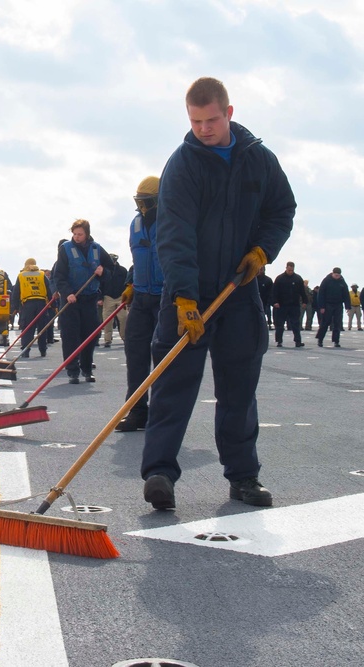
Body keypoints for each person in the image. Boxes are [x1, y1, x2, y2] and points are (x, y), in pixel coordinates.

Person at [141, 76, 295, 512]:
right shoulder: (183, 165)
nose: (203, 129)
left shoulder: (259, 161)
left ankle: (244, 477)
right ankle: (159, 475)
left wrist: (264, 250)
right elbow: (174, 235)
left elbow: (282, 209)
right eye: (195, 121)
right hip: (187, 296)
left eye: (210, 120)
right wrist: (185, 299)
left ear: (229, 113)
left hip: (239, 292)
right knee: (172, 385)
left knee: (239, 388)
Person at [115, 176, 163, 433]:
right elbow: (138, 258)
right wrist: (131, 283)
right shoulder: (135, 225)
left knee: (164, 357)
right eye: (139, 202)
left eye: (148, 202)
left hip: (166, 299)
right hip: (142, 298)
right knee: (135, 355)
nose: (143, 208)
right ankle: (136, 411)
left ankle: (163, 414)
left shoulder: (173, 220)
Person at [53, 220, 114, 383]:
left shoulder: (97, 249)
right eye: (74, 234)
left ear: (86, 234)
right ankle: (72, 370)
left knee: (90, 335)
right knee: (70, 335)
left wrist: (104, 272)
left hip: (90, 298)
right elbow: (59, 276)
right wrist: (67, 293)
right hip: (71, 300)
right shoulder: (65, 250)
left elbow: (111, 270)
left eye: (80, 234)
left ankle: (87, 368)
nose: (76, 237)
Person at [10, 258, 52, 358]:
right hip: (41, 303)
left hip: (28, 304)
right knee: (42, 328)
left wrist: (15, 307)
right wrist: (52, 304)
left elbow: (16, 293)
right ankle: (42, 350)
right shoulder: (41, 274)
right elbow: (49, 289)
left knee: (27, 328)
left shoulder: (21, 275)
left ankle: (25, 350)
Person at [271, 261, 306, 347]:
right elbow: (274, 292)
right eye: (289, 269)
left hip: (294, 305)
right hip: (281, 305)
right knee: (280, 324)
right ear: (286, 268)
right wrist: (274, 302)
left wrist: (305, 301)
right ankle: (279, 341)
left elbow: (302, 291)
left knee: (295, 324)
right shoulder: (279, 279)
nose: (290, 271)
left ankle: (298, 341)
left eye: (292, 270)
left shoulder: (298, 278)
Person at [315, 268, 351, 348]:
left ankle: (336, 341)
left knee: (337, 324)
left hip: (338, 305)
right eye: (335, 275)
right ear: (332, 273)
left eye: (338, 275)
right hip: (328, 305)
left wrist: (347, 306)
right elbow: (321, 294)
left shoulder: (342, 282)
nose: (337, 277)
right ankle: (320, 339)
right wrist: (321, 306)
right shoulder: (326, 281)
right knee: (325, 323)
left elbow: (346, 295)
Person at [100, 253, 129, 347]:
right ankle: (107, 339)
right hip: (108, 297)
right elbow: (99, 285)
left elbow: (128, 283)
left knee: (124, 318)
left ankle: (125, 337)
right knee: (107, 320)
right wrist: (100, 298)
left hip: (121, 297)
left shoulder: (123, 270)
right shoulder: (104, 271)